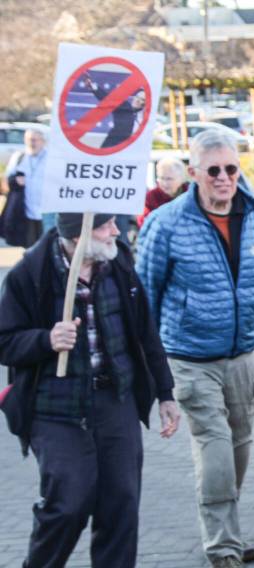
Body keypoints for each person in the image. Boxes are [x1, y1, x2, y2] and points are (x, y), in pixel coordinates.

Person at [0, 213, 180, 567]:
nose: (116, 231)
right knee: (69, 503)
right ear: (76, 233)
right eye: (105, 225)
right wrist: (46, 339)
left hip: (116, 402)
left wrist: (165, 393)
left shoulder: (119, 266)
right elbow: (4, 340)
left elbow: (145, 334)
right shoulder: (30, 274)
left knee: (121, 504)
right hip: (55, 409)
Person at [136, 129, 254, 568]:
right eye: (212, 170)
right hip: (190, 359)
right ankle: (223, 548)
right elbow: (146, 296)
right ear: (193, 173)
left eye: (231, 168)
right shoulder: (166, 224)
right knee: (214, 451)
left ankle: (226, 527)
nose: (223, 178)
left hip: (242, 355)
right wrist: (151, 368)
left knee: (239, 447)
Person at [1, 127, 47, 247]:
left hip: (46, 211)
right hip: (25, 209)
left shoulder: (50, 158)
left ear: (43, 141)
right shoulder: (19, 157)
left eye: (35, 140)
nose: (32, 143)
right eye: (29, 140)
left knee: (46, 245)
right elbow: (7, 181)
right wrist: (15, 181)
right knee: (29, 245)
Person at [83, 73, 147, 148]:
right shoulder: (124, 107)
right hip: (112, 149)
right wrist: (93, 87)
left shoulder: (147, 117)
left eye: (142, 99)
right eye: (137, 97)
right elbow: (108, 99)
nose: (138, 100)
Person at [139, 156, 188, 228]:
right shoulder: (151, 197)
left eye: (169, 179)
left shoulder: (190, 194)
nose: (164, 183)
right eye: (161, 178)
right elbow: (144, 222)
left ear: (181, 179)